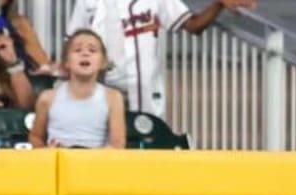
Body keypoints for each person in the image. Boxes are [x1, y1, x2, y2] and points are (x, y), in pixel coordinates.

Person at [65, 0, 253, 117]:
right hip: (99, 87)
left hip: (143, 89)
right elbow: (72, 41)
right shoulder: (87, 2)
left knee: (144, 143)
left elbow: (193, 25)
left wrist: (218, 4)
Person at [29, 28, 121, 148]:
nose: (85, 53)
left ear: (103, 62)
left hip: (96, 164)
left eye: (92, 50)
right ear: (66, 62)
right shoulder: (48, 98)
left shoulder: (113, 98)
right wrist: (48, 153)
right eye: (77, 50)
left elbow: (117, 144)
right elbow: (35, 137)